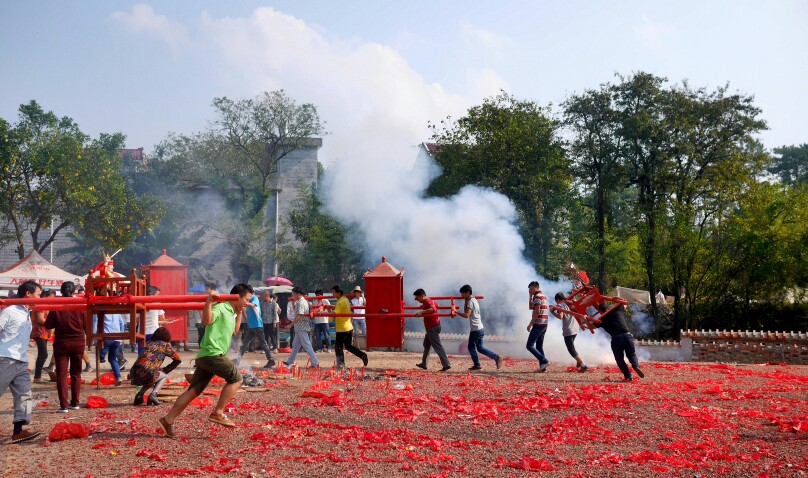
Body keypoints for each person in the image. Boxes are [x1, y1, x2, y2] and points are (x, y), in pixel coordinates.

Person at [158, 284, 251, 438]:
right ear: (237, 296)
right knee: (236, 378)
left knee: (194, 391)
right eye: (246, 300)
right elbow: (207, 321)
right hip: (212, 354)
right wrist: (209, 302)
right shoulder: (221, 307)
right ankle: (218, 412)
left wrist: (240, 312)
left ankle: (168, 420)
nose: (247, 303)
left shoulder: (230, 312)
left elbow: (235, 331)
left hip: (205, 356)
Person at [0, 281, 42, 443]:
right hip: (5, 358)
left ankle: (18, 431)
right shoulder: (10, 310)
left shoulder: (26, 312)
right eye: (38, 295)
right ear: (28, 294)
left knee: (24, 395)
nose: (39, 298)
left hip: (21, 360)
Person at [45, 281, 87, 413]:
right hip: (78, 342)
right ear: (74, 291)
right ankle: (74, 403)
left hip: (62, 343)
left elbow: (48, 325)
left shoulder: (57, 306)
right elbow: (87, 325)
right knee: (76, 374)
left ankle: (63, 405)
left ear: (60, 292)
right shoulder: (80, 306)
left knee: (61, 375)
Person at [589, 303, 645, 381]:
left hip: (616, 338)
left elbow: (590, 327)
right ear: (608, 308)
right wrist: (614, 298)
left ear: (600, 311)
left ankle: (628, 376)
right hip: (627, 336)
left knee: (619, 359)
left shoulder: (601, 319)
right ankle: (636, 366)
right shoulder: (617, 310)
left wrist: (586, 318)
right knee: (632, 354)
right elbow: (625, 303)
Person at [456, 284, 502, 371]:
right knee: (480, 348)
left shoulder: (470, 302)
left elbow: (466, 315)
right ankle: (496, 357)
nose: (461, 296)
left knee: (470, 347)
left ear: (468, 292)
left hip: (476, 329)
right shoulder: (473, 300)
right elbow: (467, 311)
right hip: (480, 328)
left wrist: (456, 312)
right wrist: (465, 301)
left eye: (462, 294)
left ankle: (477, 365)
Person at [131, 327, 181, 406]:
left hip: (134, 373)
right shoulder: (164, 345)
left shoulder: (149, 343)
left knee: (153, 376)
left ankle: (139, 395)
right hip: (148, 372)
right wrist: (166, 370)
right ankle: (153, 395)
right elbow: (178, 360)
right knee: (163, 376)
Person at [237, 285, 275, 369]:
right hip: (252, 326)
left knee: (263, 344)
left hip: (257, 325)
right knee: (244, 344)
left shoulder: (254, 298)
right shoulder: (248, 299)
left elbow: (253, 305)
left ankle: (271, 360)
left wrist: (244, 302)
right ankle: (237, 360)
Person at [413, 289, 451, 372]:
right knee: (426, 344)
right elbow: (437, 305)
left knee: (437, 346)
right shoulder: (428, 301)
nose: (417, 300)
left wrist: (422, 312)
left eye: (417, 298)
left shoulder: (427, 302)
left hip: (432, 327)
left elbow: (432, 309)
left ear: (422, 296)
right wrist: (423, 308)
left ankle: (446, 364)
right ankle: (424, 363)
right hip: (434, 326)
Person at [331, 285, 368, 368]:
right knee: (348, 346)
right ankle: (362, 355)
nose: (332, 294)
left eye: (333, 292)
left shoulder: (340, 302)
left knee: (338, 347)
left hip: (342, 328)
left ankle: (341, 364)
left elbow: (335, 313)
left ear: (338, 293)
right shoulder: (345, 300)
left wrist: (322, 313)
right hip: (349, 327)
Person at [550, 292, 588, 372]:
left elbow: (560, 317)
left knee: (571, 349)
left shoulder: (560, 305)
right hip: (575, 328)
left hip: (569, 330)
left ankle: (583, 365)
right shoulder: (570, 303)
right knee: (572, 347)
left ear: (557, 300)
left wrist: (552, 312)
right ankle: (578, 361)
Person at [283, 287, 319, 368]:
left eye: (294, 293)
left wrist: (290, 325)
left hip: (302, 327)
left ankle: (315, 363)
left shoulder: (301, 302)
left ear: (298, 293)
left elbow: (299, 315)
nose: (293, 295)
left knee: (307, 345)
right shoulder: (300, 302)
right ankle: (290, 361)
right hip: (299, 327)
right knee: (295, 346)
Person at [526, 281, 551, 372]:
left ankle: (544, 361)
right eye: (529, 290)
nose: (530, 291)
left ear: (536, 288)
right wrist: (530, 296)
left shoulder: (537, 297)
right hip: (544, 324)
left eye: (532, 289)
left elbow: (537, 312)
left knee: (529, 345)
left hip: (538, 324)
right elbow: (530, 307)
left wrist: (530, 324)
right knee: (539, 347)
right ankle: (543, 367)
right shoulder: (542, 296)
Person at [31, 289, 53, 383]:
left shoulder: (45, 305)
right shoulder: (40, 305)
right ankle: (37, 376)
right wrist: (52, 324)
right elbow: (40, 319)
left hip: (44, 332)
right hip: (39, 332)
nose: (51, 300)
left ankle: (37, 376)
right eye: (50, 298)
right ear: (44, 296)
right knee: (43, 354)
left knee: (42, 354)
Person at [143, 286, 165, 354]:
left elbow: (136, 320)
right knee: (153, 355)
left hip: (141, 332)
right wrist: (163, 322)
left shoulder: (140, 302)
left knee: (142, 356)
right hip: (154, 331)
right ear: (154, 293)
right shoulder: (157, 303)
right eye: (157, 295)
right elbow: (163, 319)